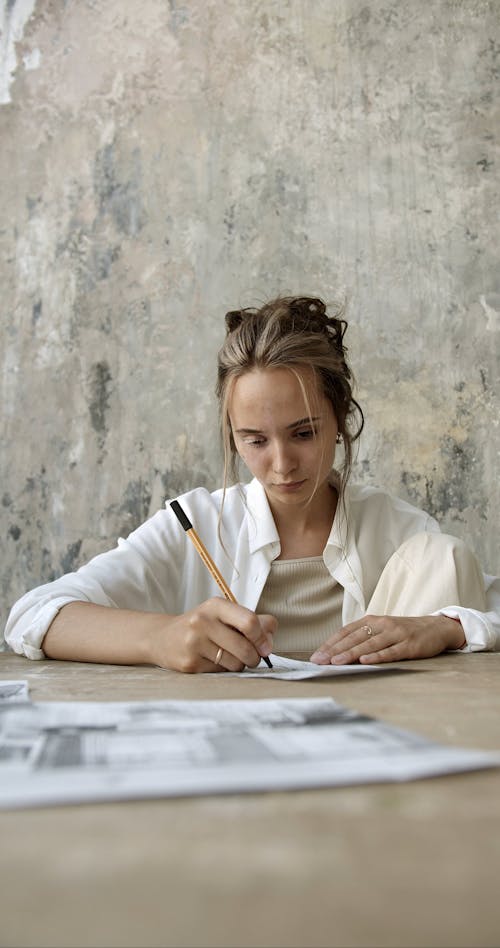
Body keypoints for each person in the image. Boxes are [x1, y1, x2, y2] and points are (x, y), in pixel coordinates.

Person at [5, 296, 500, 671]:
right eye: (255, 440)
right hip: (238, 760)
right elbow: (33, 615)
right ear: (232, 436)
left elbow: (481, 612)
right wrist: (162, 638)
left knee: (444, 554)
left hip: (380, 743)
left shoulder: (399, 532)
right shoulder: (196, 523)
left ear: (341, 419)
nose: (282, 464)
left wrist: (447, 628)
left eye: (303, 433)